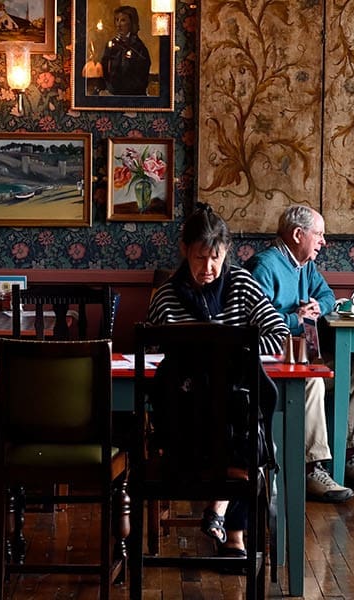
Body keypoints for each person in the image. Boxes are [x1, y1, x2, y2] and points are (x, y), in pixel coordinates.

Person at [147, 203, 288, 560]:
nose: (208, 268)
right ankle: (227, 525)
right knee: (243, 433)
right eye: (199, 258)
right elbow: (149, 352)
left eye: (216, 258)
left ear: (226, 253)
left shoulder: (241, 284)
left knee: (244, 421)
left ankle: (228, 524)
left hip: (233, 408)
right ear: (184, 251)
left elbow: (278, 332)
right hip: (187, 415)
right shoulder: (166, 296)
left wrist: (238, 352)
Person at [243, 205, 354, 503]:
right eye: (319, 234)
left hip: (300, 355)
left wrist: (317, 307)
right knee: (314, 381)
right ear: (298, 234)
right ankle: (312, 468)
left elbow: (327, 295)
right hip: (270, 362)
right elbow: (254, 325)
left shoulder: (304, 264)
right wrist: (296, 318)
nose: (323, 241)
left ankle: (348, 457)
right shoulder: (265, 266)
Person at [99, 5, 152, 95]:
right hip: (113, 95)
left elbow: (142, 74)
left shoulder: (138, 47)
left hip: (133, 96)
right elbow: (104, 67)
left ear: (131, 23)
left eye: (123, 20)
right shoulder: (111, 45)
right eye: (117, 20)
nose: (118, 24)